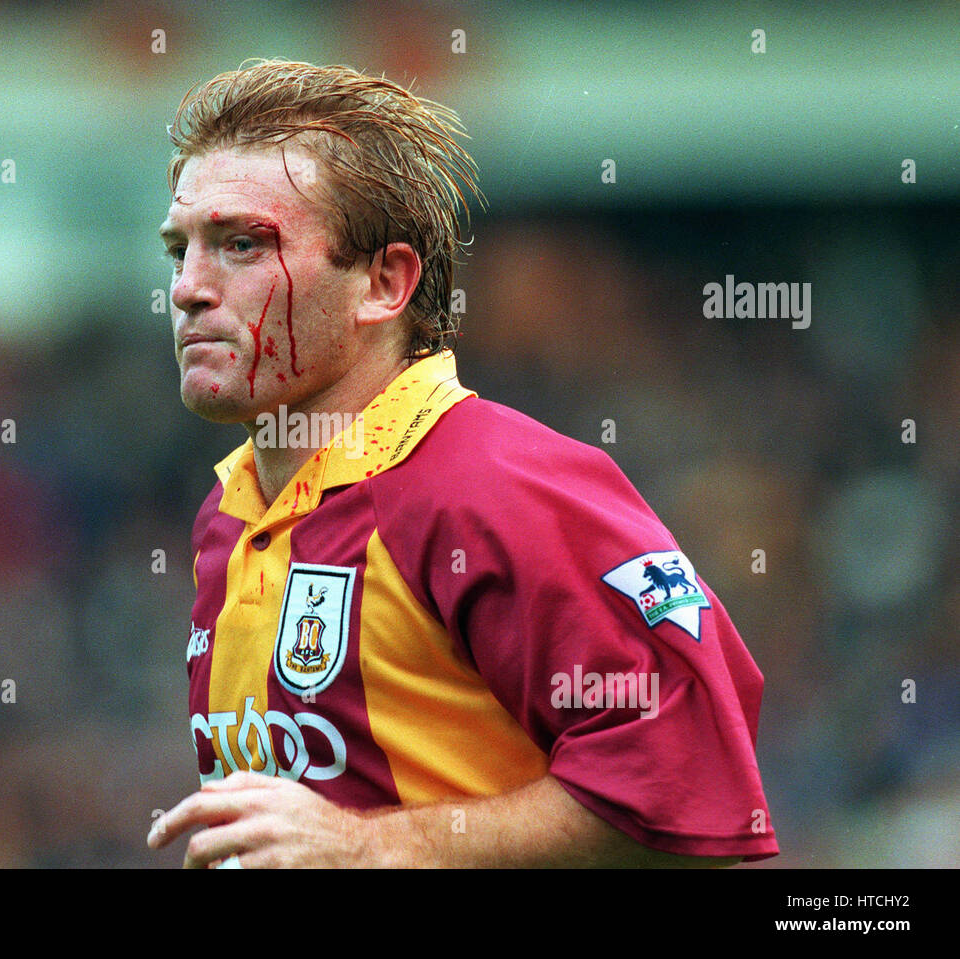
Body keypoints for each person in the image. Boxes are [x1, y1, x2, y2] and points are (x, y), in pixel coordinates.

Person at [147, 58, 779, 867]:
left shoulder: (496, 486)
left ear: (384, 281)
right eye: (180, 251)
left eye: (241, 244)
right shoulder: (227, 519)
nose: (189, 288)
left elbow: (696, 788)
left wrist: (371, 846)